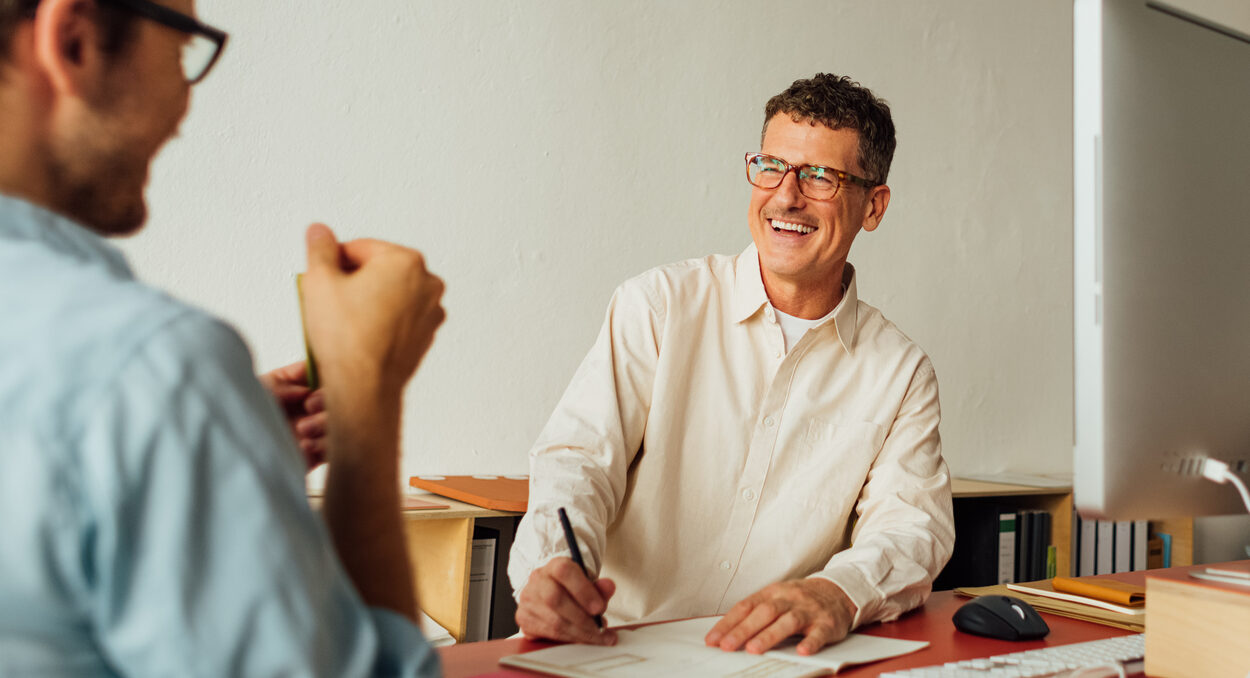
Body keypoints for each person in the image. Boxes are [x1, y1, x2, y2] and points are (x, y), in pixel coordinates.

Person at [0, 0, 445, 675]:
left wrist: (217, 446)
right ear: (76, 40)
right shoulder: (151, 369)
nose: (185, 106)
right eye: (183, 50)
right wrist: (366, 401)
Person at [509, 73, 955, 657]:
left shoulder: (901, 374)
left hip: (765, 663)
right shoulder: (659, 306)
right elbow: (579, 463)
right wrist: (553, 569)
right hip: (607, 650)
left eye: (820, 176)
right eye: (772, 165)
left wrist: (838, 592)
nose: (786, 195)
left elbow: (911, 528)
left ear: (873, 206)